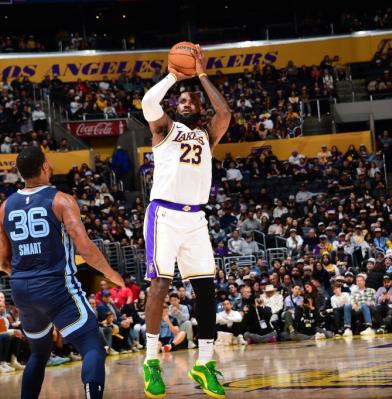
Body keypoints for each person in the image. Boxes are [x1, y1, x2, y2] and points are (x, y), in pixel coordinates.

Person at [140, 44, 231, 398]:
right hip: (164, 213)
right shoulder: (164, 129)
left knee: (206, 287)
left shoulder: (208, 133)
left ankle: (205, 363)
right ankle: (151, 363)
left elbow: (224, 112)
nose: (184, 103)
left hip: (196, 218)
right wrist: (174, 76)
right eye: (181, 101)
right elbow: (149, 104)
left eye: (190, 101)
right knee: (160, 283)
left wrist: (202, 74)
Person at [0, 146, 124, 399]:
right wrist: (112, 274)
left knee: (39, 353)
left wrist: (27, 279)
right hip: (55, 285)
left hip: (21, 289)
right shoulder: (61, 200)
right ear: (45, 167)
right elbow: (85, 248)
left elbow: (3, 261)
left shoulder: (5, 207)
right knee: (92, 347)